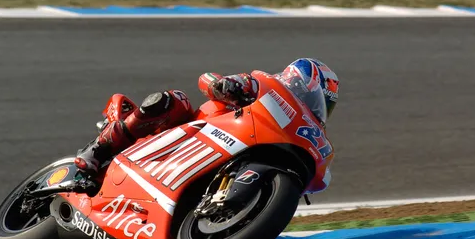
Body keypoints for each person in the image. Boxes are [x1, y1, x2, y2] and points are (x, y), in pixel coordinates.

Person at [74, 58, 339, 184]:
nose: (315, 106)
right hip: (188, 134)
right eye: (314, 97)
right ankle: (99, 149)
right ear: (296, 81)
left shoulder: (300, 126)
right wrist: (224, 86)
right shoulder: (258, 86)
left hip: (224, 155)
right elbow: (206, 78)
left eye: (323, 105)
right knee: (172, 100)